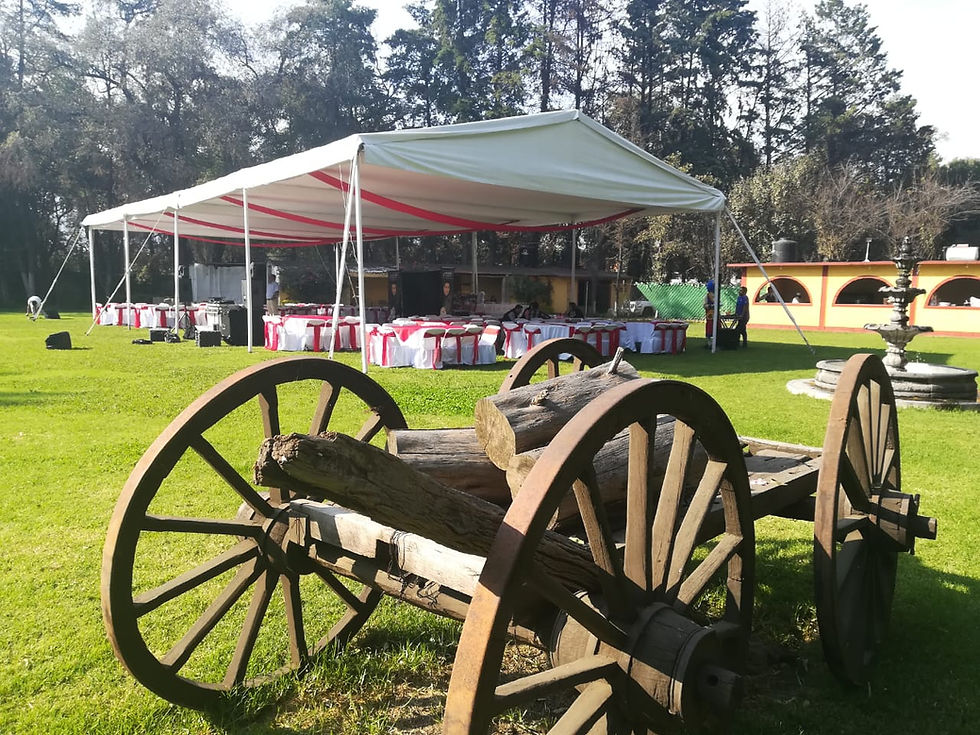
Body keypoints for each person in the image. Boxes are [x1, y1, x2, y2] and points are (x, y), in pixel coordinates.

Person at [703, 281, 715, 348]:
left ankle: (715, 342)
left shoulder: (716, 295)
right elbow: (705, 305)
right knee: (709, 328)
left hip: (715, 315)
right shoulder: (707, 296)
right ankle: (709, 343)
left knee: (716, 327)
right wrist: (709, 306)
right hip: (709, 315)